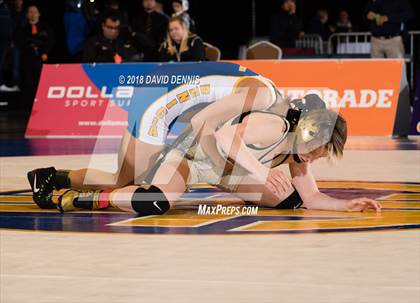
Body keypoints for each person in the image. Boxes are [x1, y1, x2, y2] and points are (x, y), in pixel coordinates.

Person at [56, 95, 382, 214]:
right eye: (314, 152)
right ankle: (87, 200)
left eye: (317, 158)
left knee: (291, 200)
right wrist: (263, 172)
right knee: (155, 202)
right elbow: (225, 138)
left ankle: (243, 193)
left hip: (229, 175)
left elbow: (311, 197)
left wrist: (346, 206)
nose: (310, 160)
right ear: (308, 132)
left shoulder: (298, 151)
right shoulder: (275, 125)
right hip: (192, 158)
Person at [27, 61, 285, 209]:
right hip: (157, 103)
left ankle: (52, 176)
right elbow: (200, 122)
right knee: (124, 183)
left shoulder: (266, 88)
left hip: (160, 87)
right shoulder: (262, 96)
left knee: (126, 180)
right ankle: (50, 178)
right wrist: (223, 168)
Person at [15, 5, 54, 106]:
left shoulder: (45, 27)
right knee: (28, 82)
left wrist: (44, 52)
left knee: (41, 81)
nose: (33, 14)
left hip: (41, 58)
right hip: (27, 58)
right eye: (30, 12)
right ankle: (30, 105)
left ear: (39, 14)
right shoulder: (23, 28)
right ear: (27, 15)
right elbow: (21, 42)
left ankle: (42, 103)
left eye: (35, 12)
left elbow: (50, 41)